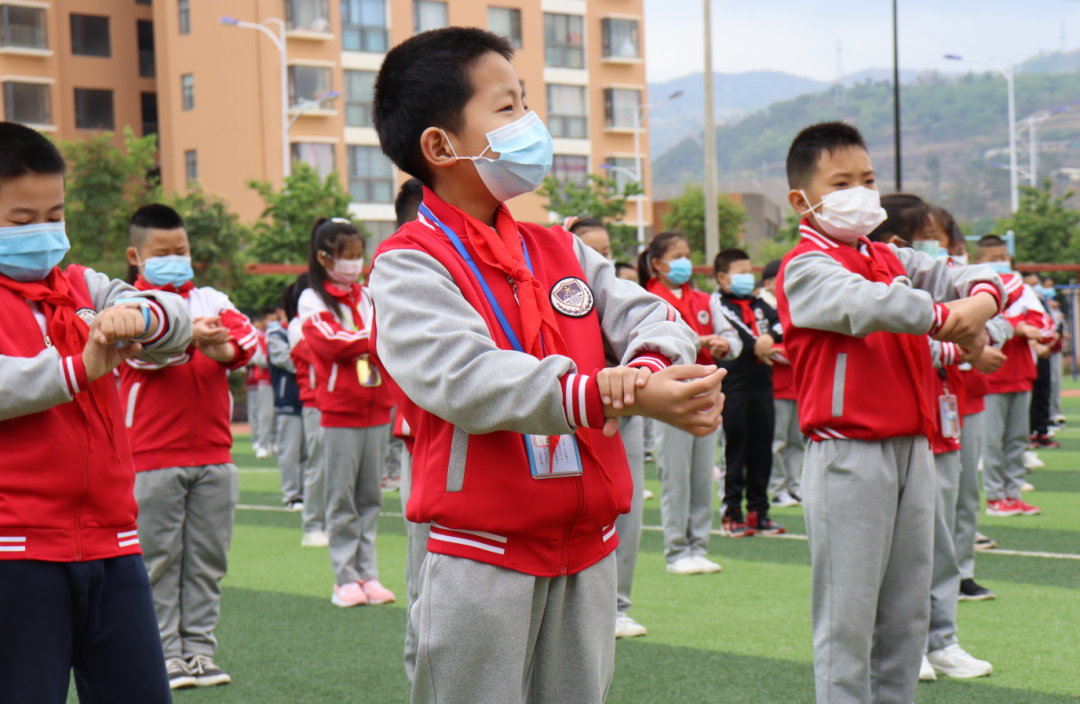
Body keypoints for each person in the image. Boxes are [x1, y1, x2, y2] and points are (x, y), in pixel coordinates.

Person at [368, 27, 724, 703]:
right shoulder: (410, 264)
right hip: (480, 553)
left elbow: (654, 318)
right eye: (506, 109)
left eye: (525, 103)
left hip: (588, 546)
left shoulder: (559, 249)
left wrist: (646, 369)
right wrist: (608, 395)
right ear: (441, 147)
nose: (530, 124)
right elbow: (464, 378)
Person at [777, 121, 1005, 704]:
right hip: (848, 453)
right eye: (843, 181)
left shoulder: (888, 254)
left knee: (906, 616)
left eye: (869, 178)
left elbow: (968, 274)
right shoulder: (805, 266)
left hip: (914, 447)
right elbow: (878, 307)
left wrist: (979, 307)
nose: (862, 192)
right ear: (801, 201)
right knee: (848, 622)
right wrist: (957, 317)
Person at [0, 121, 191, 703]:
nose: (43, 231)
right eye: (21, 221)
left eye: (54, 214)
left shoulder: (84, 284)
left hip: (115, 545)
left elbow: (171, 322)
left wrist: (143, 317)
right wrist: (79, 366)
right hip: (17, 555)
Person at [118, 203, 256, 689]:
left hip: (216, 455)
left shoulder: (210, 298)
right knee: (157, 560)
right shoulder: (127, 305)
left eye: (183, 250)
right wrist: (195, 339)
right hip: (152, 456)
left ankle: (199, 651)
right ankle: (165, 654)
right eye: (164, 252)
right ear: (137, 256)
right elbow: (146, 359)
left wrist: (211, 344)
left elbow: (245, 340)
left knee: (206, 561)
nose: (176, 258)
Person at [871, 195, 999, 681]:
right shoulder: (874, 284)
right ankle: (907, 644)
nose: (943, 249)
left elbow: (993, 320)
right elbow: (913, 340)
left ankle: (942, 639)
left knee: (938, 542)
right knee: (899, 551)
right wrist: (962, 341)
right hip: (896, 429)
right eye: (934, 237)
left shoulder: (938, 279)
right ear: (900, 240)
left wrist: (974, 333)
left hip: (939, 424)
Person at [300, 217, 396, 608]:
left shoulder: (367, 296)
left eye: (359, 256)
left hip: (377, 408)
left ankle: (368, 574)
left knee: (370, 497)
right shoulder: (312, 300)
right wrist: (376, 339)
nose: (355, 264)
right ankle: (344, 577)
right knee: (341, 500)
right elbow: (331, 345)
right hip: (339, 412)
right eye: (347, 257)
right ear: (324, 258)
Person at [569, 216, 648, 638]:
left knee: (627, 507)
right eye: (590, 248)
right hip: (576, 414)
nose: (601, 258)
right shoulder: (560, 290)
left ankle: (618, 605)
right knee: (583, 508)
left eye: (606, 250)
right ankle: (586, 607)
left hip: (626, 413)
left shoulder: (616, 295)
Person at [640, 231, 733, 573]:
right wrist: (702, 339)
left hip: (706, 390)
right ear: (657, 264)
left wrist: (722, 343)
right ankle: (676, 551)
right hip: (671, 392)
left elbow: (730, 338)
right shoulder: (648, 297)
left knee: (701, 472)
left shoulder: (704, 299)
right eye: (676, 256)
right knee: (676, 473)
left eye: (687, 254)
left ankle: (698, 545)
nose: (684, 262)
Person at [934, 206, 1003, 602]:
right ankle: (933, 590)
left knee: (964, 494)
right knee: (933, 504)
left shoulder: (963, 283)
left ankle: (961, 574)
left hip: (964, 399)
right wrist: (966, 349)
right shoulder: (903, 283)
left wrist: (977, 339)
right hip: (923, 406)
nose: (950, 249)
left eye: (949, 241)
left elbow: (1002, 323)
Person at [975, 236, 1053, 515]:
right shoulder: (974, 286)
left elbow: (1042, 322)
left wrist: (1023, 327)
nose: (1000, 260)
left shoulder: (1021, 287)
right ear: (980, 261)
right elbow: (977, 322)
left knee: (1017, 439)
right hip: (991, 376)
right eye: (993, 255)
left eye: (1003, 255)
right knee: (992, 440)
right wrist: (1017, 327)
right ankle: (995, 497)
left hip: (1021, 372)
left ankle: (1013, 493)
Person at [713, 248, 785, 537]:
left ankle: (759, 511)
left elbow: (782, 323)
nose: (748, 277)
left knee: (762, 451)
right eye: (740, 272)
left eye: (749, 271)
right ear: (722, 277)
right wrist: (759, 339)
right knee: (735, 452)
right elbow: (732, 337)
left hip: (763, 387)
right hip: (733, 388)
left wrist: (771, 336)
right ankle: (732, 512)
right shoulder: (717, 304)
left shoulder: (759, 303)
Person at [289, 273, 331, 547]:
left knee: (335, 467)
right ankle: (313, 525)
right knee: (319, 463)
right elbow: (321, 352)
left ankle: (329, 522)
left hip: (336, 401)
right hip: (316, 402)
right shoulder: (296, 326)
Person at [759, 258, 802, 508]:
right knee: (777, 442)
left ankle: (794, 486)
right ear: (769, 282)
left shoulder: (794, 304)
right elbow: (763, 347)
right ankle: (777, 489)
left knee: (796, 441)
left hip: (798, 386)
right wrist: (789, 352)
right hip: (775, 387)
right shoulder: (761, 307)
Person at [270, 285, 306, 511]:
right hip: (289, 400)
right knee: (291, 452)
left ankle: (308, 495)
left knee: (309, 452)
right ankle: (292, 496)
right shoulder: (276, 335)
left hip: (311, 400)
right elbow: (290, 362)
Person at [1024, 272, 1059, 449]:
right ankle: (1029, 433)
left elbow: (1052, 328)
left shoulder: (1043, 303)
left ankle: (1042, 431)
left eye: (1035, 284)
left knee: (1044, 391)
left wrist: (1048, 345)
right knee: (1030, 394)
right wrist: (1035, 345)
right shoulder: (1021, 304)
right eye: (1030, 284)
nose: (1034, 288)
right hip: (1027, 355)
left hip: (1045, 353)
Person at [247, 313, 276, 458]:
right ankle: (262, 444)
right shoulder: (260, 337)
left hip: (276, 378)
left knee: (277, 413)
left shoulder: (275, 335)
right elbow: (257, 358)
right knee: (265, 413)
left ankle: (274, 442)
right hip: (264, 378)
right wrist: (272, 360)